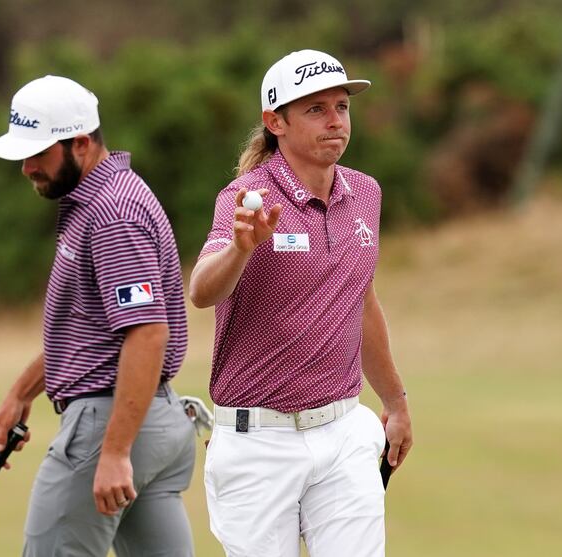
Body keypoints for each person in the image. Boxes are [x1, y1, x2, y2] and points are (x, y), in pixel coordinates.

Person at [189, 50, 413, 557]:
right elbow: (202, 291)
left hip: (343, 432)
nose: (335, 121)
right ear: (276, 122)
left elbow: (362, 302)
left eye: (341, 106)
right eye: (315, 110)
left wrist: (396, 403)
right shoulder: (246, 197)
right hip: (258, 444)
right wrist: (240, 250)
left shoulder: (366, 192)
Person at [0, 75, 196, 556]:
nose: (27, 168)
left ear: (80, 142)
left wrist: (115, 451)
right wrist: (20, 391)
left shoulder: (112, 213)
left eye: (39, 153)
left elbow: (146, 333)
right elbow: (92, 331)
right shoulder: (100, 200)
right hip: (150, 420)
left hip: (110, 423)